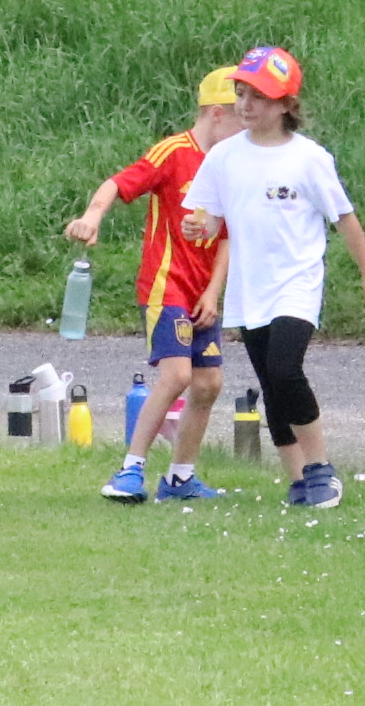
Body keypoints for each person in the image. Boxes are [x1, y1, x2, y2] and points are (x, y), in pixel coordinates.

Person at [180, 46, 365, 508]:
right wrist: (200, 227)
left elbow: (344, 218)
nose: (246, 104)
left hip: (297, 283)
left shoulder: (308, 158)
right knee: (271, 385)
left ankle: (320, 468)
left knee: (284, 369)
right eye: (241, 94)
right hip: (249, 288)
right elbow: (211, 219)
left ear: (286, 105)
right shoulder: (223, 157)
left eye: (258, 96)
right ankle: (299, 482)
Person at [71, 67, 241, 504]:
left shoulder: (231, 165)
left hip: (202, 293)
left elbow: (229, 237)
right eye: (240, 117)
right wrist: (93, 215)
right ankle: (130, 470)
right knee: (177, 376)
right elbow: (118, 183)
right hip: (167, 287)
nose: (247, 129)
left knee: (209, 384)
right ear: (217, 113)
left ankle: (180, 478)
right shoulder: (174, 152)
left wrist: (213, 292)